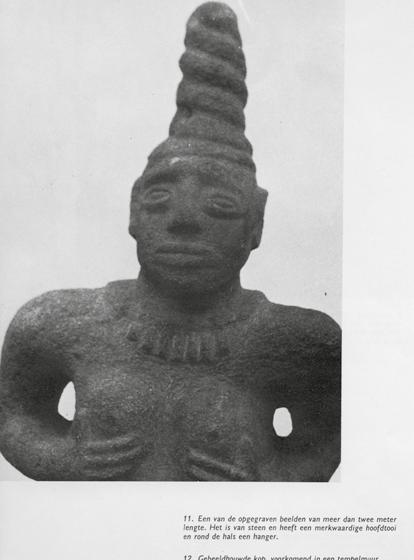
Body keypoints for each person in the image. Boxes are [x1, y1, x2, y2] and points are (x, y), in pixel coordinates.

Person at [0, 2, 340, 481]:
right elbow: (14, 415)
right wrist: (64, 462)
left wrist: (268, 480)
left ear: (256, 223)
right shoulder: (58, 324)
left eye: (219, 205)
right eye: (160, 199)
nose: (183, 220)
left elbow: (329, 439)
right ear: (134, 211)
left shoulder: (297, 343)